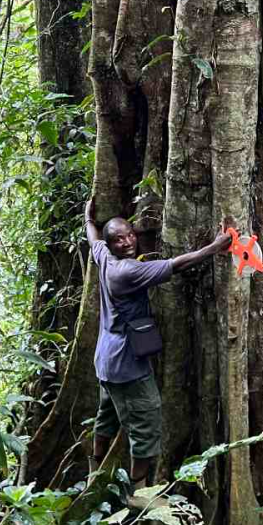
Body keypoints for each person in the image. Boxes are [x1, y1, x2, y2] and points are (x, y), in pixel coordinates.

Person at [84, 197, 230, 508]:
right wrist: (215, 246)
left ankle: (94, 471)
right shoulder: (124, 272)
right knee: (146, 421)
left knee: (106, 415)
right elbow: (178, 264)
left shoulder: (101, 255)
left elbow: (92, 236)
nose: (126, 243)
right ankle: (139, 494)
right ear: (111, 245)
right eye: (118, 240)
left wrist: (88, 217)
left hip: (106, 360)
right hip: (126, 364)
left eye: (129, 236)